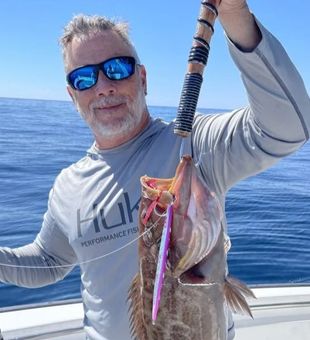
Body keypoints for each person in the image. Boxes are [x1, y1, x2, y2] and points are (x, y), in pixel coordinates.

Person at [0, 1, 309, 339]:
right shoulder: (67, 185)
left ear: (143, 78)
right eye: (84, 77)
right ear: (73, 95)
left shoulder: (195, 144)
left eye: (117, 68)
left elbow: (289, 127)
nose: (103, 86)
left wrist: (235, 16)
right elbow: (48, 262)